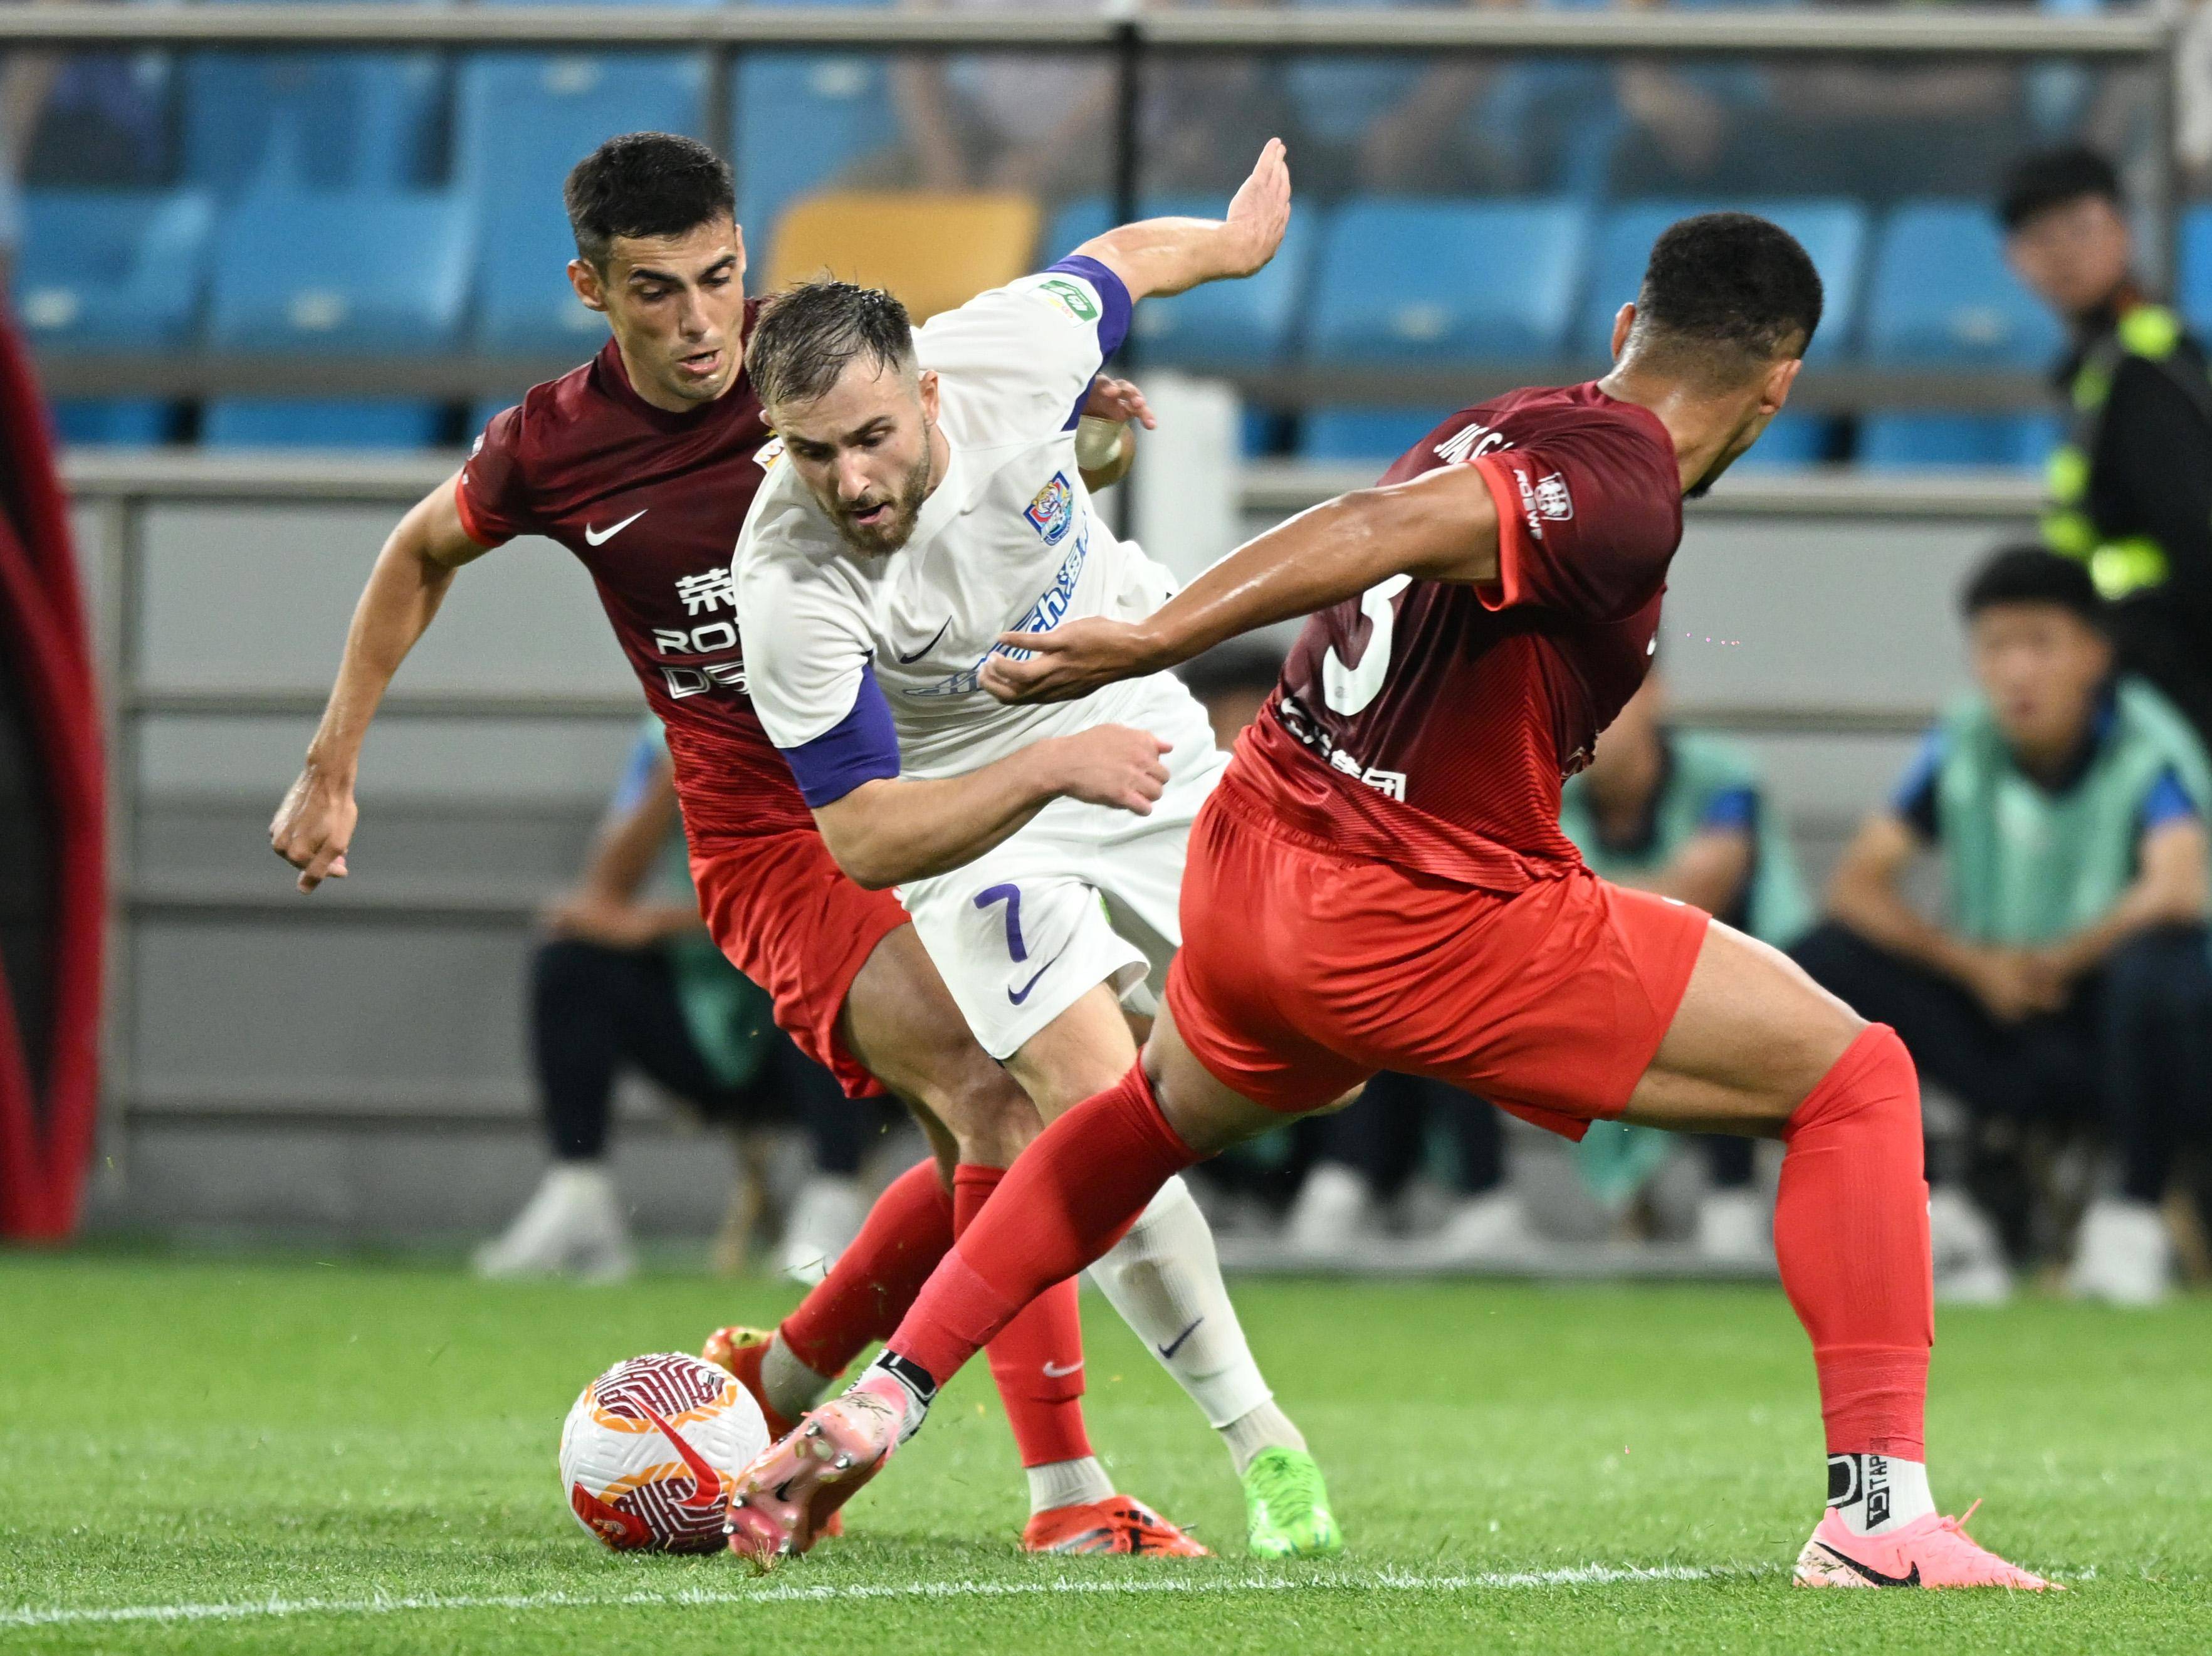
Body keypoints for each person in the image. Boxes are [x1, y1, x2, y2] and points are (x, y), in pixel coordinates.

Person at [727, 212, 2055, 1591]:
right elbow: (1374, 527)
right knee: (1856, 1078)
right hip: (1417, 907)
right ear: (1780, 390)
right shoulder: (1621, 483)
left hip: (1257, 859)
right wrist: (1157, 637)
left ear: (1621, 332)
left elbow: (1359, 500)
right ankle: (1879, 1515)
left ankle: (881, 1396)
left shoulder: (1512, 416)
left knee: (1135, 1119)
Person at [268, 130, 1215, 1558]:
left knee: (1041, 1095)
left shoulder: (815, 374)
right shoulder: (551, 447)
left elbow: (980, 423)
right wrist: (331, 766)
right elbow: (419, 551)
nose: (703, 323)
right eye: (656, 293)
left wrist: (1065, 429)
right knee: (997, 1088)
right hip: (777, 835)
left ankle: (781, 1370)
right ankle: (1065, 1496)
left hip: (927, 769)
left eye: (720, 279)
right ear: (590, 286)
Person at [730, 139, 1339, 1560]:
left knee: (1318, 1004)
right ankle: (1266, 1446)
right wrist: (1044, 762)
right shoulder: (786, 579)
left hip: (1138, 711)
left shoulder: (1007, 351)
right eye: (812, 451)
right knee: (1092, 1100)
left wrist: (1230, 248)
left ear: (928, 390)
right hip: (965, 811)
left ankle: (823, 1358)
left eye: (873, 436)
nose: (850, 477)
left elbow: (1119, 264)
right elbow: (863, 830)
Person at [1806, 546, 2212, 1308]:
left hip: (2108, 1026)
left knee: (2163, 965)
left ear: (2094, 653)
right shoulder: (1962, 740)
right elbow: (1857, 883)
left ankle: (2132, 1216)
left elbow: (2177, 886)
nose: (2017, 670)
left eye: (2039, 643)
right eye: (1997, 646)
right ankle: (1935, 1210)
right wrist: (1971, 965)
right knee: (1821, 963)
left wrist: (2066, 956)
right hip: (1995, 1007)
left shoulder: (2146, 744)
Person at [473, 719, 881, 1285]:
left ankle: (835, 1210)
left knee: (813, 954)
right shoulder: (665, 731)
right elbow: (604, 892)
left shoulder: (826, 713)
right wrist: (675, 769)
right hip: (707, 1026)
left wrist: (657, 925)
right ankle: (579, 1197)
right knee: (571, 957)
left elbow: (841, 893)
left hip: (838, 1040)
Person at [1562, 667, 1813, 1262]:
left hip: (1759, 984)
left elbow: (1703, 893)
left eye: (1601, 698)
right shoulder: (1547, 788)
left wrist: (1593, 904)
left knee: (1714, 976)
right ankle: (1491, 1199)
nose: (1580, 722)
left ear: (1653, 692)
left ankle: (1730, 1196)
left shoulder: (1723, 776)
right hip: (1604, 991)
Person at [2001, 146, 2212, 752]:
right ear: (2014, 260)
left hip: (2171, 664)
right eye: (2039, 236)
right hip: (2130, 656)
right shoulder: (2101, 364)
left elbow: (2192, 536)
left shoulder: (2146, 369)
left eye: (2079, 227)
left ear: (2124, 230)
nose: (2062, 252)